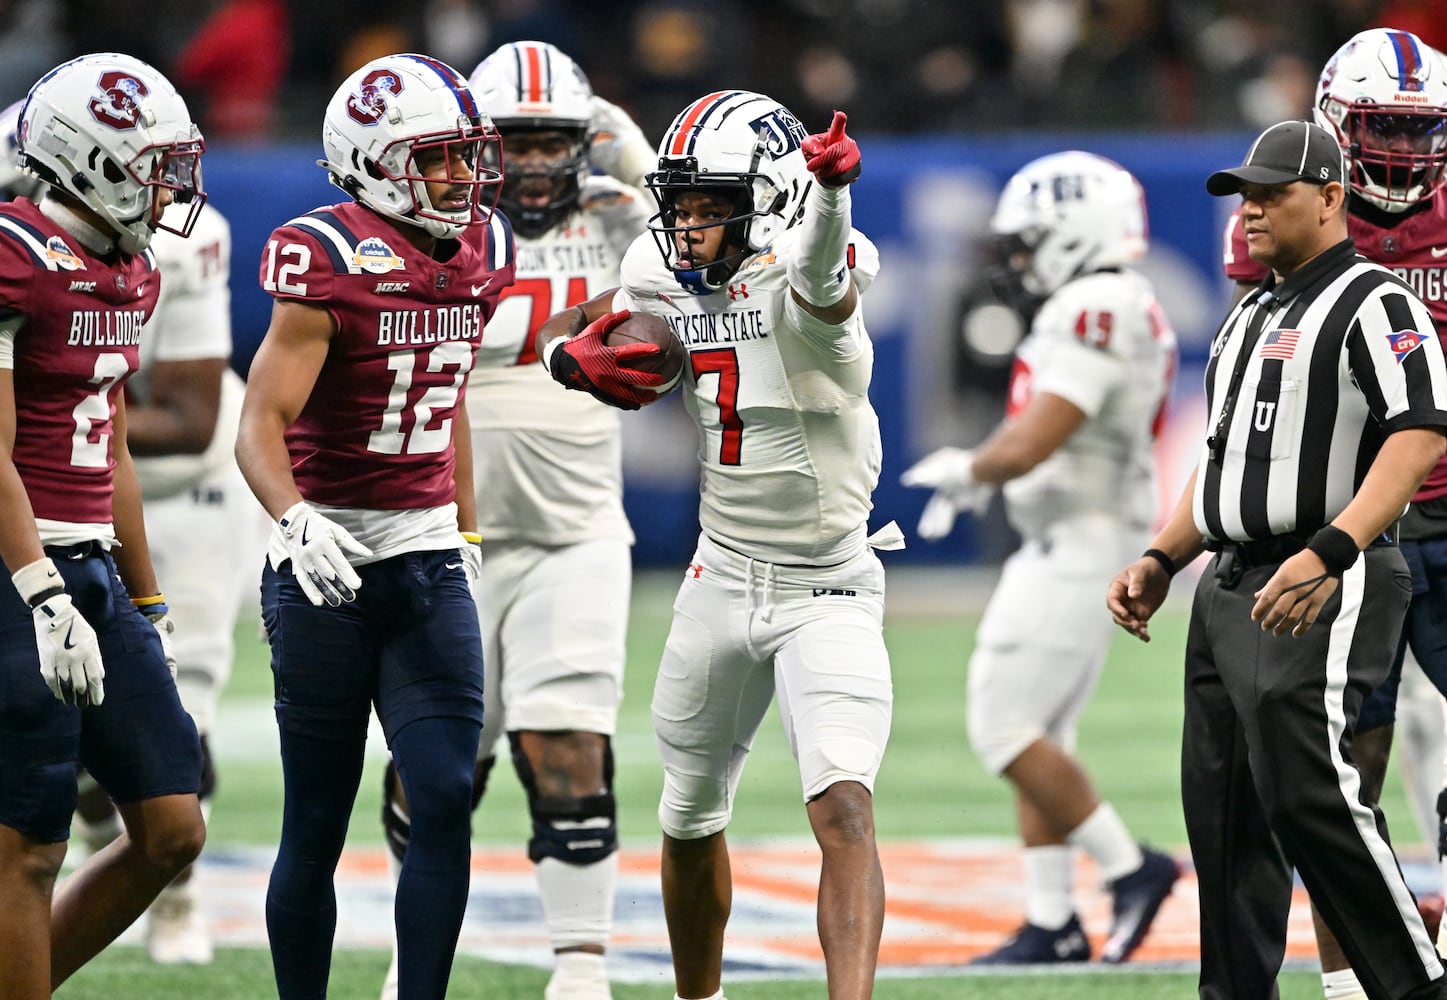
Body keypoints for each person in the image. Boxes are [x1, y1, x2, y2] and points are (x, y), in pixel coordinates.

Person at [539, 91, 895, 1000]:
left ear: (774, 193)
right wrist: (564, 357)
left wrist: (831, 194)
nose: (687, 224)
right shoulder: (654, 267)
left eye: (711, 204)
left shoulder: (815, 255)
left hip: (830, 584)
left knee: (842, 802)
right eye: (681, 203)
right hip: (721, 570)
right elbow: (567, 322)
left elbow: (821, 277)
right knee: (688, 815)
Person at [1109, 119, 1447, 1000]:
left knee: (1314, 799)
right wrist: (1159, 553)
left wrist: (1333, 550)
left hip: (1318, 578)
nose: (1251, 210)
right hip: (1225, 585)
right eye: (1244, 195)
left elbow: (1419, 432)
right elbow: (1219, 458)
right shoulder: (1250, 311)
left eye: (1272, 193)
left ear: (1331, 198)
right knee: (1220, 822)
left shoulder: (1378, 301)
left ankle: (1415, 984)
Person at [374, 40, 654, 1000]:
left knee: (569, 743)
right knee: (431, 766)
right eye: (516, 142)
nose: (534, 162)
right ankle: (414, 959)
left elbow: (704, 251)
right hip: (441, 534)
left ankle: (580, 968)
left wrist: (636, 147)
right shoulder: (430, 228)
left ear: (586, 142)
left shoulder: (626, 221)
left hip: (574, 533)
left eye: (553, 140)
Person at [233, 53, 515, 1000]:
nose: (460, 177)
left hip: (426, 554)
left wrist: (466, 533)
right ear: (373, 160)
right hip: (326, 559)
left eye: (465, 155)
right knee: (316, 818)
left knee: (441, 794)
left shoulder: (483, 249)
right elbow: (258, 423)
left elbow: (452, 397)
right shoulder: (327, 255)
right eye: (437, 157)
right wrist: (295, 519)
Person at [899, 151, 1180, 965]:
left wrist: (971, 466)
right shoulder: (1108, 298)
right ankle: (1051, 919)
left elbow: (1045, 426)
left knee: (1002, 726)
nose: (1017, 261)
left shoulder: (1095, 300)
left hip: (1081, 540)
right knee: (1043, 732)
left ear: (1071, 231)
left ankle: (1131, 866)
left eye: (1028, 242)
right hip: (1074, 533)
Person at [0, 94, 258, 966]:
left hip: (92, 568)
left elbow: (108, 449)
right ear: (89, 162)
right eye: (154, 166)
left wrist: (144, 598)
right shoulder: (13, 254)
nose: (170, 189)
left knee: (170, 828)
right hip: (16, 567)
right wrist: (38, 590)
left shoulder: (130, 266)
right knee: (28, 849)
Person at [1220, 29, 1447, 996]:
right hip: (1346, 529)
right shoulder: (1281, 216)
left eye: (1415, 131)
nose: (1398, 151)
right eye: (1380, 129)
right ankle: (1350, 983)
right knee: (1339, 765)